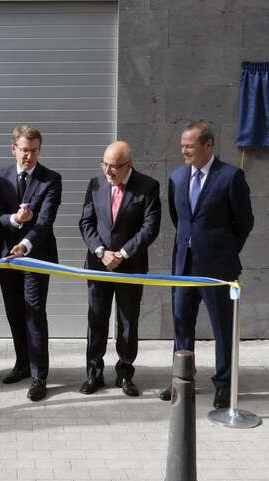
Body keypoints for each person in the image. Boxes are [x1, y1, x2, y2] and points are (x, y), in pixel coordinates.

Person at [160, 121, 254, 409]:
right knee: (181, 324)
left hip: (218, 269)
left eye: (189, 146)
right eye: (182, 146)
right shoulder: (177, 177)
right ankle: (182, 379)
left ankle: (224, 384)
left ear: (209, 144)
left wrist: (223, 252)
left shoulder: (230, 176)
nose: (184, 151)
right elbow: (179, 218)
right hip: (184, 266)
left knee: (223, 328)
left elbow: (244, 222)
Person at [79, 141, 161, 397]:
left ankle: (125, 374)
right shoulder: (96, 184)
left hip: (130, 266)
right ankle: (94, 373)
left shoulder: (147, 186)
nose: (108, 171)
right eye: (104, 164)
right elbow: (86, 222)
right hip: (98, 265)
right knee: (96, 320)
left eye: (114, 166)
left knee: (127, 321)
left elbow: (150, 227)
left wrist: (123, 253)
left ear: (129, 164)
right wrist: (101, 252)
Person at [0, 125, 62, 402]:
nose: (29, 156)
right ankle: (22, 364)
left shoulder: (51, 179)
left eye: (34, 151)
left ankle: (38, 376)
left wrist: (25, 244)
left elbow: (45, 221)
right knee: (14, 312)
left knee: (34, 312)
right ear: (14, 149)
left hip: (36, 256)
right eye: (24, 150)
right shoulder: (0, 177)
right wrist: (14, 219)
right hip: (7, 257)